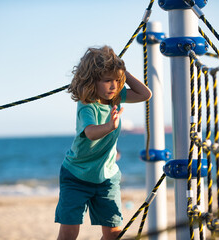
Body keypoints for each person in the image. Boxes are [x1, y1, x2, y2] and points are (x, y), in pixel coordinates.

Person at [55, 45, 152, 240]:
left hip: (106, 179)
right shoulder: (87, 104)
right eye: (108, 80)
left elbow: (145, 94)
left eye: (117, 80)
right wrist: (110, 126)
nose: (114, 86)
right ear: (92, 80)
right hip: (76, 176)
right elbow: (90, 132)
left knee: (113, 233)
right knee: (69, 232)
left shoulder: (116, 96)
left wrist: (122, 71)